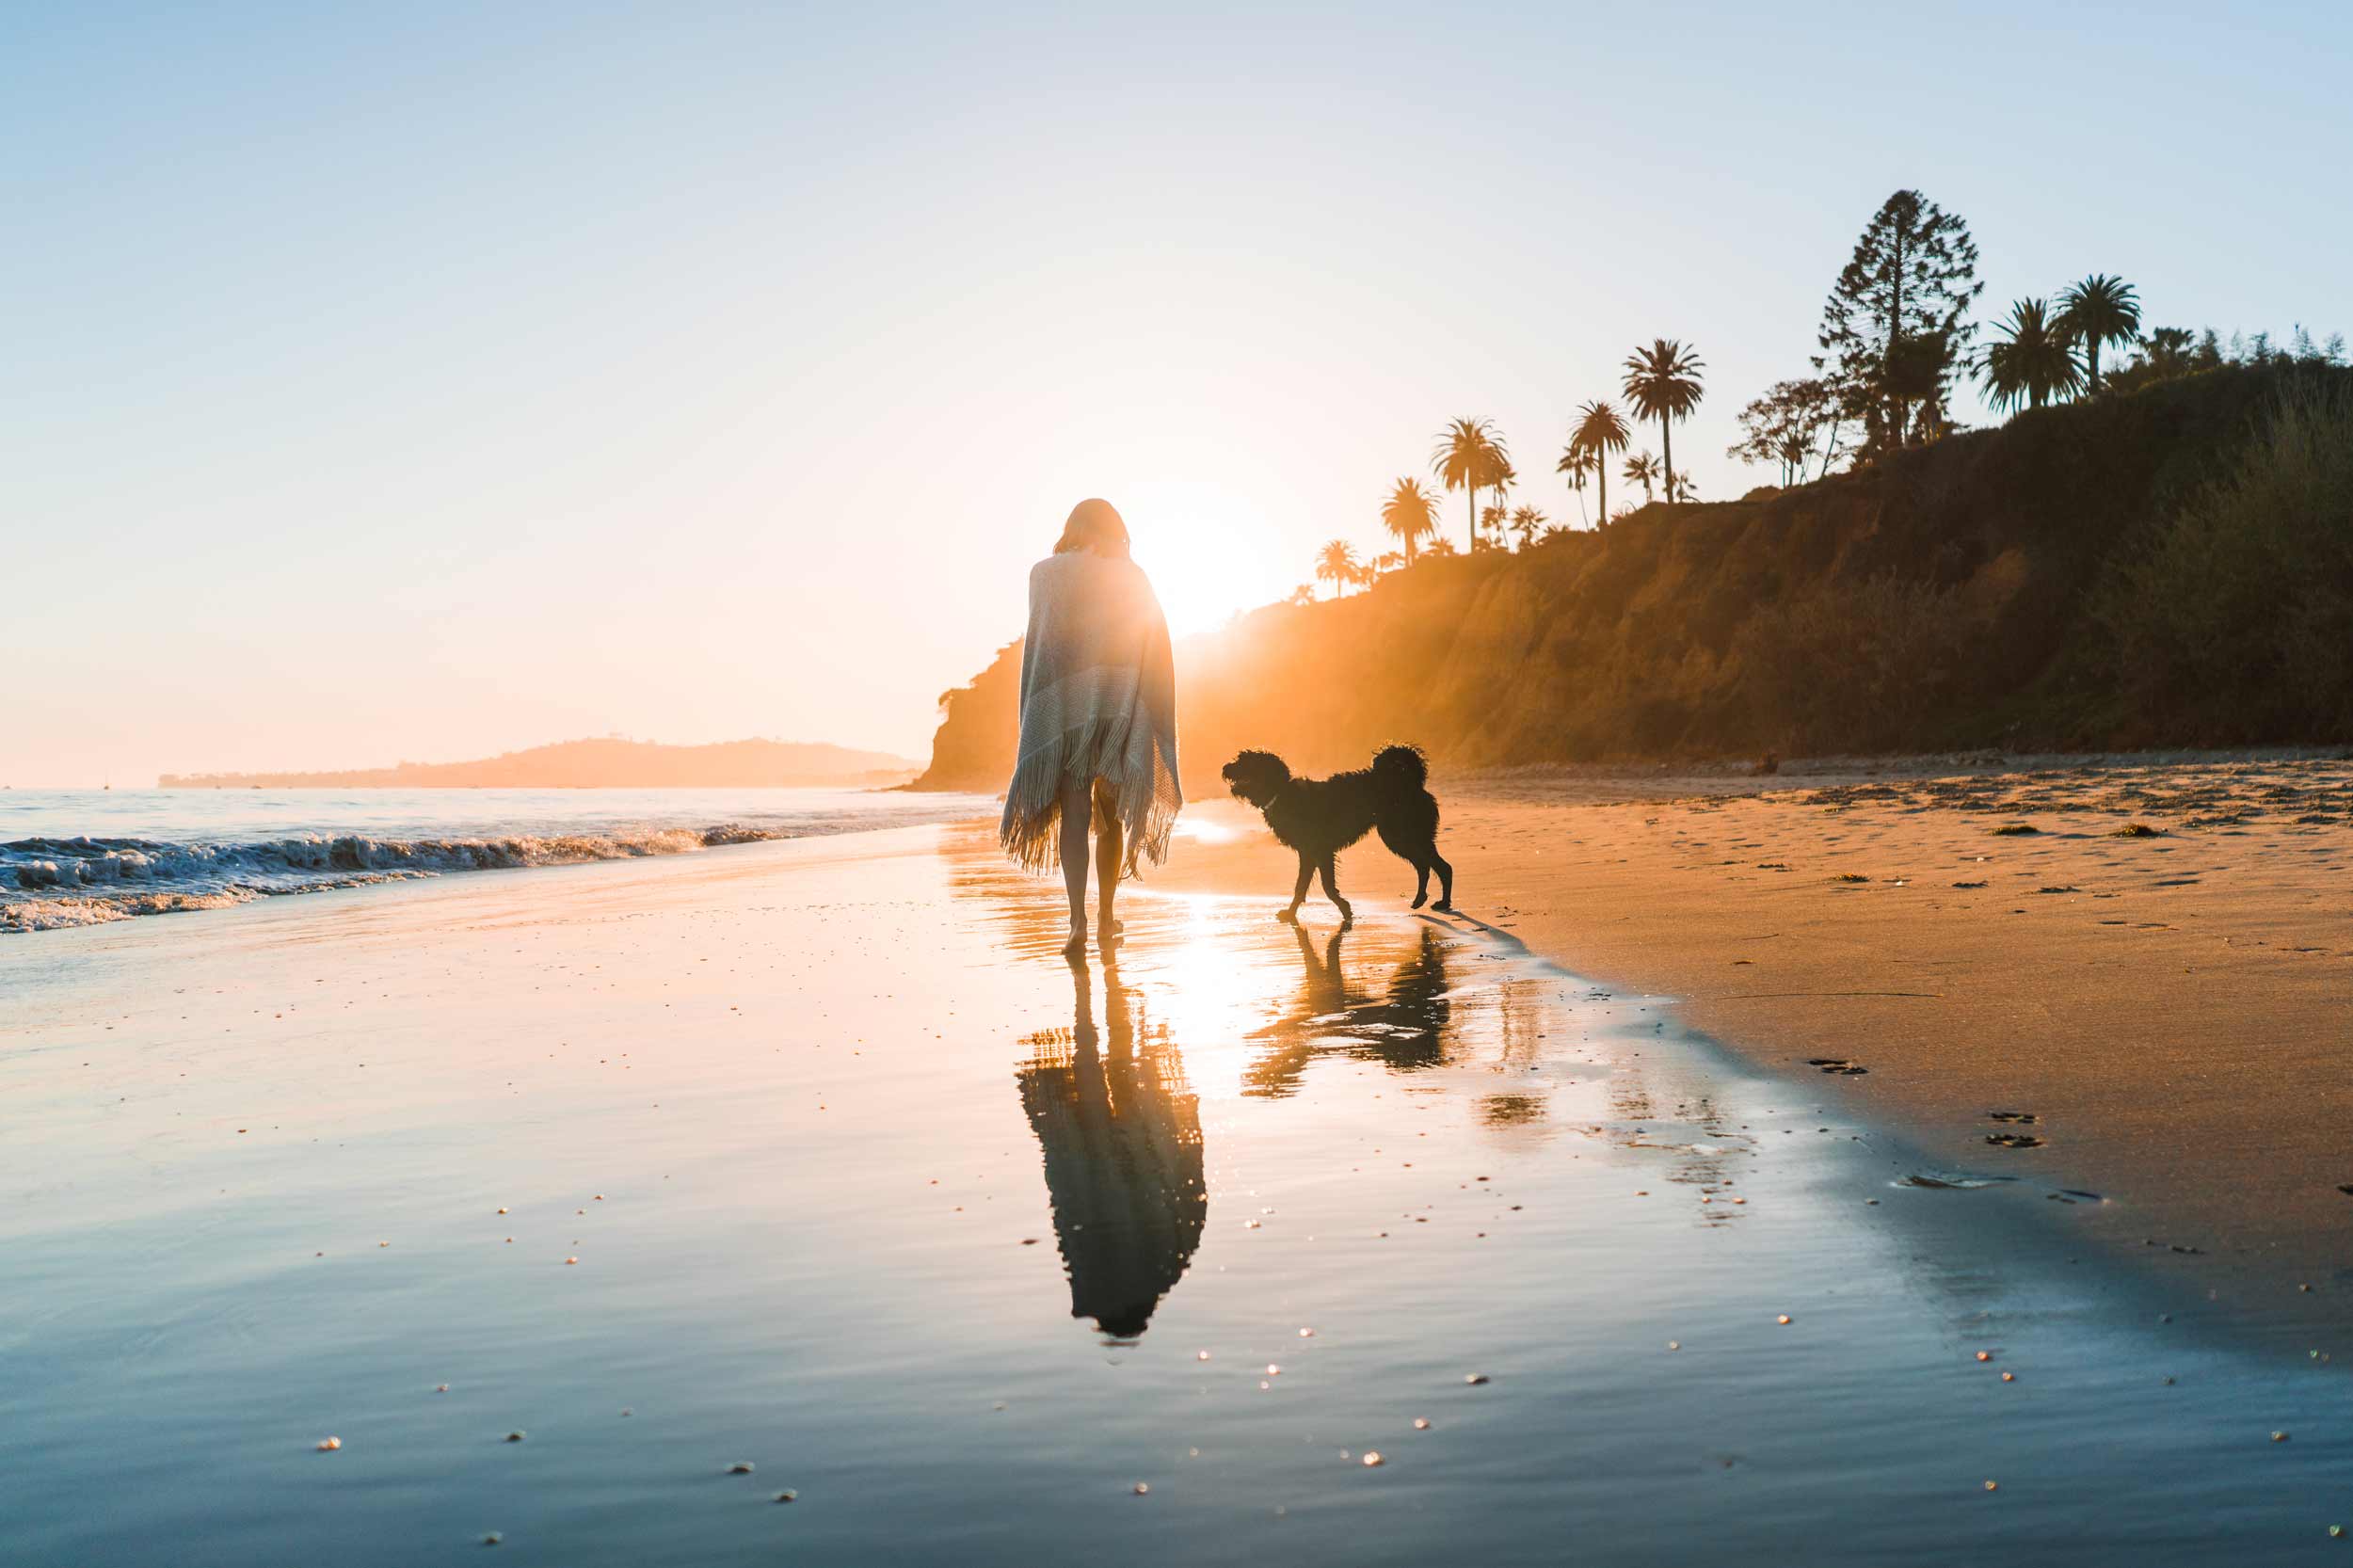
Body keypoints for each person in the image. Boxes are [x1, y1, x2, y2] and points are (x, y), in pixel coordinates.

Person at [1000, 498, 1181, 956]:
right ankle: (1105, 919)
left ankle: (1077, 921)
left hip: (1066, 713)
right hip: (1118, 711)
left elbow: (1045, 650)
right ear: (1113, 530)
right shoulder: (1131, 575)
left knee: (1076, 818)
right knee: (1110, 819)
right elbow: (1152, 639)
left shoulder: (1043, 575)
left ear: (1072, 527)